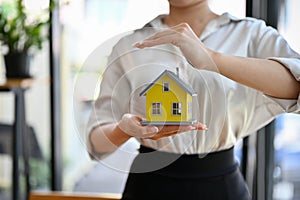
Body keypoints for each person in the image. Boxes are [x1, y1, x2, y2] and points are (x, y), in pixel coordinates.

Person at [87, 0, 300, 199]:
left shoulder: (252, 35)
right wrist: (123, 130)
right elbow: (95, 145)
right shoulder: (130, 46)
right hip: (148, 185)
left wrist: (212, 59)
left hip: (221, 186)